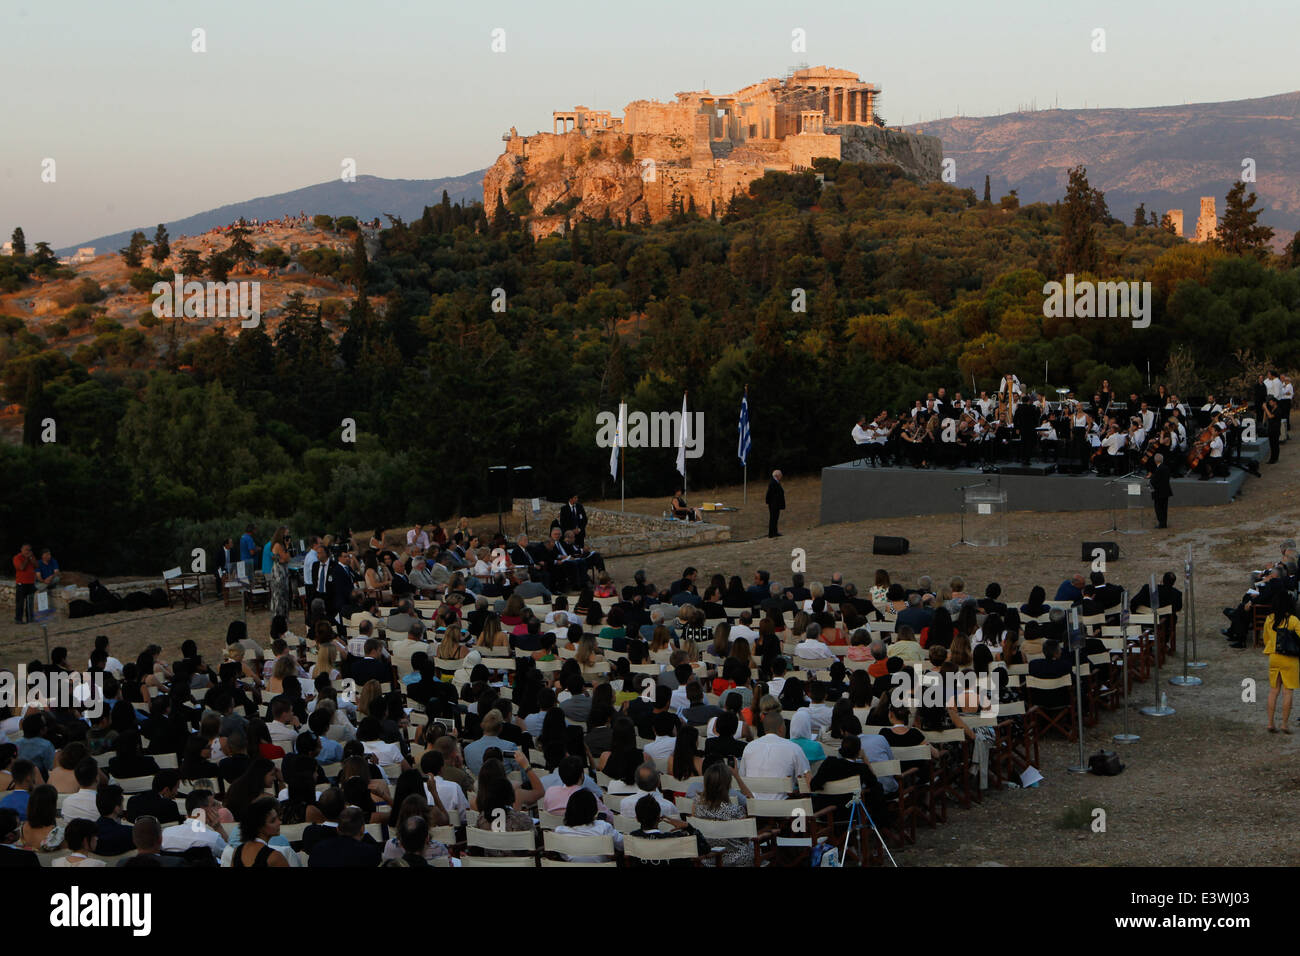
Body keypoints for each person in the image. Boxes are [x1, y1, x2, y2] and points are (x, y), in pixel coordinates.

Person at [738, 712, 811, 799]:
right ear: (780, 728)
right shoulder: (794, 748)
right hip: (785, 808)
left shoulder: (749, 747)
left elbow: (742, 778)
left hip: (754, 807)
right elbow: (806, 781)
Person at [1263, 591, 1300, 734]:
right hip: (1290, 659)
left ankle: (1270, 723)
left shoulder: (1269, 619)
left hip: (1274, 657)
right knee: (1287, 692)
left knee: (1274, 691)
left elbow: (1266, 640)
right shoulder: (1293, 620)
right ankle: (1284, 724)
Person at [12, 543, 37, 624]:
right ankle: (18, 619)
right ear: (21, 550)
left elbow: (36, 566)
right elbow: (21, 568)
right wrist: (26, 558)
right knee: (20, 602)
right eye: (26, 549)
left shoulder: (31, 557)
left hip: (31, 583)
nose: (28, 551)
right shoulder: (17, 557)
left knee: (30, 602)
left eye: (29, 550)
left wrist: (31, 558)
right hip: (21, 583)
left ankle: (30, 618)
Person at [1147, 453, 1173, 528]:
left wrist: (1150, 480)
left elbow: (1154, 481)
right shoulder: (1166, 468)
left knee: (1158, 508)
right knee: (1164, 508)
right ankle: (1164, 523)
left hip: (1158, 492)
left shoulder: (1158, 469)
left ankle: (1161, 523)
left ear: (1155, 461)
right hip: (1166, 491)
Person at [765, 470, 785, 538]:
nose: (781, 476)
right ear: (777, 475)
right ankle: (771, 533)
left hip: (776, 504)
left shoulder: (776, 482)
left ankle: (775, 532)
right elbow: (770, 494)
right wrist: (770, 502)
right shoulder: (773, 483)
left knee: (775, 518)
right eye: (780, 475)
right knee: (773, 518)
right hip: (774, 504)